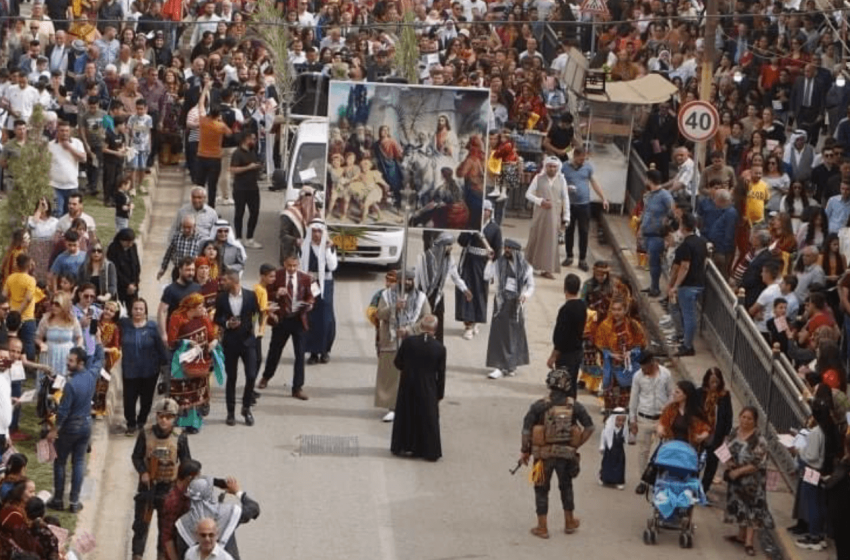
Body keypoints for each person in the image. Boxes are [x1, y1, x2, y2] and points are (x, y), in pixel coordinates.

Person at [519, 368, 594, 539]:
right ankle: (569, 522)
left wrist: (525, 451)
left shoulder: (538, 405)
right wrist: (576, 445)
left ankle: (542, 527)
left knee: (541, 489)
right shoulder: (574, 405)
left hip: (542, 457)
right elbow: (589, 427)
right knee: (566, 487)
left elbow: (526, 430)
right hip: (566, 456)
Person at [46, 338, 105, 513]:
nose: (67, 362)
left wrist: (55, 430)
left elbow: (63, 411)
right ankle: (74, 502)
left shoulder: (71, 384)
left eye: (71, 360)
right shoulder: (92, 375)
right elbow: (100, 358)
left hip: (70, 427)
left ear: (80, 362)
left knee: (60, 462)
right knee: (79, 462)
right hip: (86, 425)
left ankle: (58, 499)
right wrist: (99, 340)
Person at [130, 397, 191, 560]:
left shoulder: (180, 437)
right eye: (161, 416)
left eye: (169, 417)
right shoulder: (146, 433)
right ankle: (137, 556)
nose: (164, 420)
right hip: (148, 489)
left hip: (168, 491)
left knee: (166, 531)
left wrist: (182, 486)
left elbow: (186, 463)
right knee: (141, 527)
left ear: (174, 418)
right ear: (156, 416)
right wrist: (143, 472)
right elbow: (136, 456)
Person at [257, 252, 314, 401]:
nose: (292, 269)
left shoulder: (305, 278)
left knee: (300, 354)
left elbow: (310, 296)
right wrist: (276, 294)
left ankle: (297, 387)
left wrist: (309, 304)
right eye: (289, 265)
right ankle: (266, 377)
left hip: (298, 320)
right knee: (275, 350)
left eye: (295, 266)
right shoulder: (277, 276)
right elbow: (265, 293)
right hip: (282, 320)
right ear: (284, 264)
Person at [390, 315, 446, 461]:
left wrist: (408, 369)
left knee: (407, 415)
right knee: (427, 419)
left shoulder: (408, 342)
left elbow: (397, 363)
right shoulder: (440, 348)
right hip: (428, 388)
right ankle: (429, 451)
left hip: (408, 385)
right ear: (435, 330)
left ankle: (402, 446)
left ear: (420, 327)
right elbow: (441, 375)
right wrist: (439, 395)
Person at [167, 293, 221, 433]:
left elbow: (212, 335)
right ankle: (178, 422)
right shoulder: (177, 318)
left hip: (201, 362)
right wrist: (186, 342)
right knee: (183, 393)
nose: (203, 308)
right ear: (192, 307)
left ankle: (194, 423)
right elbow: (171, 341)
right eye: (200, 306)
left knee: (197, 393)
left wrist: (214, 342)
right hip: (183, 363)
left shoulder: (203, 318)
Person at [723, 406, 772, 557]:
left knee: (753, 510)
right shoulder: (734, 432)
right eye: (743, 417)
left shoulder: (759, 439)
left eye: (749, 418)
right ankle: (740, 535)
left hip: (752, 482)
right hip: (735, 479)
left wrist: (738, 471)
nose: (745, 421)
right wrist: (728, 463)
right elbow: (724, 449)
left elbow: (757, 463)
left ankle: (749, 542)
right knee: (739, 506)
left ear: (755, 421)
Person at [173, 476, 260, 560]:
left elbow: (182, 555)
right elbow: (253, 509)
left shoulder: (183, 524)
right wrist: (237, 492)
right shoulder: (228, 512)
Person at [215, 269, 260, 427]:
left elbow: (256, 313)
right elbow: (217, 317)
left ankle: (246, 408)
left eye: (224, 281)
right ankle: (231, 412)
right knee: (231, 378)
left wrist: (253, 329)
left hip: (248, 342)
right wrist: (227, 323)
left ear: (234, 281)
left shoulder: (250, 295)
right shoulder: (221, 298)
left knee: (251, 375)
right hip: (230, 343)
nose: (222, 283)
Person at [485, 239, 534, 379]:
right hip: (501, 302)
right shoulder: (499, 263)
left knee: (514, 334)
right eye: (505, 247)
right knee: (499, 334)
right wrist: (489, 261)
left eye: (509, 248)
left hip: (516, 304)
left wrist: (525, 295)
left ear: (516, 251)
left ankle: (511, 365)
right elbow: (486, 276)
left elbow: (531, 286)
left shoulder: (526, 267)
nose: (506, 250)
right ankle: (499, 366)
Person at [121, 298, 168, 436]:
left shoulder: (152, 327)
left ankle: (141, 421)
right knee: (129, 399)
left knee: (146, 399)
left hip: (149, 370)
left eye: (141, 309)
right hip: (129, 370)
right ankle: (131, 424)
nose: (138, 311)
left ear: (145, 311)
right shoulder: (124, 325)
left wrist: (165, 365)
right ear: (131, 310)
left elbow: (161, 348)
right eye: (135, 308)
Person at [456, 200, 502, 339]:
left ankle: (476, 320)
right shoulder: (471, 224)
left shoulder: (495, 228)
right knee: (467, 291)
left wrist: (491, 265)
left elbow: (497, 250)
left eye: (486, 210)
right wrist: (469, 233)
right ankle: (468, 324)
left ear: (490, 212)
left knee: (480, 292)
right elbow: (461, 241)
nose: (483, 212)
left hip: (483, 264)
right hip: (469, 262)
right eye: (481, 210)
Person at [629, 352, 674, 494]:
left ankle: (656, 479)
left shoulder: (666, 374)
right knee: (643, 451)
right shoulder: (638, 376)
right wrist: (632, 420)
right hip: (644, 418)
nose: (643, 370)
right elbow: (634, 398)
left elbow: (671, 395)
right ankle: (643, 481)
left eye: (645, 367)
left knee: (659, 451)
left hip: (661, 419)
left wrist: (668, 414)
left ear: (653, 362)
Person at [414, 232, 471, 343]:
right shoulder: (426, 258)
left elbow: (455, 276)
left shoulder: (449, 259)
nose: (451, 248)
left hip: (438, 295)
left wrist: (465, 289)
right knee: (423, 323)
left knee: (438, 324)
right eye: (449, 245)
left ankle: (437, 347)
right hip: (424, 295)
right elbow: (417, 278)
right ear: (442, 246)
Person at [561, 146, 609, 271]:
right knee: (569, 230)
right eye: (580, 159)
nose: (582, 161)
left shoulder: (588, 167)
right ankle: (569, 256)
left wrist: (603, 197)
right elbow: (559, 182)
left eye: (584, 159)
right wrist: (564, 190)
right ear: (575, 156)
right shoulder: (564, 167)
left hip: (584, 204)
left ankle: (582, 259)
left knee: (584, 232)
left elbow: (593, 182)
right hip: (569, 204)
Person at [595, 297, 646, 410]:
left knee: (626, 398)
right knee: (610, 396)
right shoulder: (605, 326)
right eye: (613, 309)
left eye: (619, 309)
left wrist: (631, 353)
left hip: (629, 366)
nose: (616, 312)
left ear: (625, 310)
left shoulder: (633, 326)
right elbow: (600, 345)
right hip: (611, 365)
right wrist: (612, 354)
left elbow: (640, 345)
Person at [667, 213, 707, 356]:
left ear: (683, 226)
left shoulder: (686, 245)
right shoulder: (701, 242)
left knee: (689, 316)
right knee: (685, 313)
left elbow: (684, 267)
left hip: (688, 285)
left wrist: (675, 286)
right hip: (698, 283)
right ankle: (684, 337)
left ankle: (688, 345)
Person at [525, 156, 569, 279]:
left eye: (554, 166)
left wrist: (567, 216)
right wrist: (540, 201)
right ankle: (529, 266)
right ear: (546, 166)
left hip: (554, 216)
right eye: (550, 166)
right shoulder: (538, 178)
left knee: (550, 242)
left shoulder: (562, 180)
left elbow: (566, 198)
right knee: (535, 238)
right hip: (540, 214)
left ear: (558, 167)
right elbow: (528, 194)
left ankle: (547, 269)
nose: (552, 168)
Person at [300, 220, 337, 364]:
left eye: (319, 231)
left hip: (326, 283)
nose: (316, 234)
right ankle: (313, 352)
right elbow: (300, 265)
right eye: (314, 231)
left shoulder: (330, 247)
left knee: (326, 317)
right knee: (311, 316)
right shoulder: (304, 247)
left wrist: (327, 249)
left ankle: (325, 351)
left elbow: (332, 266)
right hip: (311, 283)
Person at [548, 274, 587, 397]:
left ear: (565, 288)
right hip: (578, 351)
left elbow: (561, 336)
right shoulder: (582, 306)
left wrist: (553, 356)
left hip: (566, 355)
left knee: (563, 386)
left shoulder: (566, 309)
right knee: (572, 384)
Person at [229, 131, 262, 248]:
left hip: (253, 187)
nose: (254, 141)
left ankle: (250, 237)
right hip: (240, 188)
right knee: (239, 213)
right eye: (252, 139)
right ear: (245, 140)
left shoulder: (253, 152)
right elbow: (233, 170)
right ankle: (238, 238)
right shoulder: (237, 153)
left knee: (255, 212)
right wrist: (249, 167)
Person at [157, 257, 200, 344]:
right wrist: (164, 334)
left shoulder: (197, 288)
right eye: (187, 270)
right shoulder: (170, 289)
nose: (191, 273)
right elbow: (161, 312)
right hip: (176, 334)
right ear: (180, 270)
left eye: (193, 270)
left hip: (193, 334)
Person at [47, 121, 86, 216]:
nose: (64, 133)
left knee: (71, 213)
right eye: (62, 130)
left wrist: (69, 148)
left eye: (66, 130)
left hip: (72, 186)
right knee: (56, 212)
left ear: (70, 131)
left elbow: (83, 159)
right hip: (55, 186)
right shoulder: (50, 145)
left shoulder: (77, 143)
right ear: (57, 131)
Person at [158, 216, 204, 281]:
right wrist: (163, 268)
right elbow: (168, 253)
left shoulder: (199, 239)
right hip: (178, 271)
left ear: (194, 226)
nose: (186, 230)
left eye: (189, 227)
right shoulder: (177, 237)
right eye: (184, 227)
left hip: (192, 272)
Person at [107, 228, 141, 309]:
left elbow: (136, 265)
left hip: (132, 285)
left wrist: (134, 283)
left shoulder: (133, 247)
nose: (130, 244)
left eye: (131, 242)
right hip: (120, 285)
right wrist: (127, 284)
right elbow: (115, 269)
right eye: (128, 242)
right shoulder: (113, 249)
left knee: (133, 308)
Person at [599, 407, 627, 489]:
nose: (620, 422)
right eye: (618, 420)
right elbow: (603, 437)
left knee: (619, 466)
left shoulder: (624, 428)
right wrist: (602, 446)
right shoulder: (608, 428)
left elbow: (626, 437)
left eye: (623, 421)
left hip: (619, 451)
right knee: (607, 464)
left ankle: (619, 481)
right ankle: (604, 478)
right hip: (609, 450)